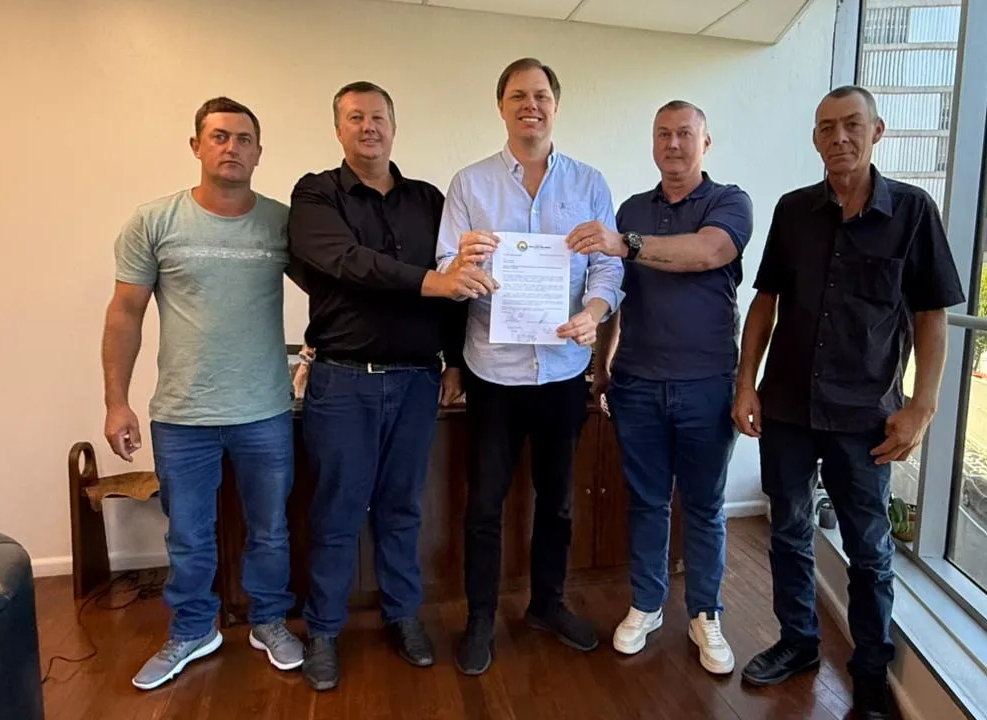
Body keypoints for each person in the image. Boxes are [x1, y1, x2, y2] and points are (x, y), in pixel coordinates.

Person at [734, 86, 964, 719]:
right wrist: (745, 383)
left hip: (865, 416)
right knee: (788, 529)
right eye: (827, 127)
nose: (839, 137)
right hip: (787, 405)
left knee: (868, 547)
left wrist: (923, 407)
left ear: (876, 131)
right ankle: (799, 642)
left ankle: (869, 672)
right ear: (815, 138)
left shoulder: (913, 212)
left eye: (852, 125)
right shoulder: (793, 210)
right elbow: (765, 303)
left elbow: (932, 315)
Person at [286, 81, 485, 691]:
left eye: (378, 117)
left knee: (402, 509)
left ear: (394, 128)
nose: (368, 127)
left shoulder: (429, 200)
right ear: (338, 129)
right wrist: (432, 282)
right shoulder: (315, 193)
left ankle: (402, 615)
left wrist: (455, 360)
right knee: (338, 510)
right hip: (344, 379)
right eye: (355, 117)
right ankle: (323, 630)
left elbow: (458, 281)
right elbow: (345, 262)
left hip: (418, 381)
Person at [102, 96, 304, 690]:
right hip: (182, 413)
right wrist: (116, 402)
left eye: (243, 139)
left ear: (259, 152)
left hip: (265, 410)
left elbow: (336, 285)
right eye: (219, 136)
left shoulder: (283, 223)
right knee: (188, 535)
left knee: (270, 529)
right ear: (196, 146)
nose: (231, 148)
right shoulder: (154, 221)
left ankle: (269, 620)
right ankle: (193, 630)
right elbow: (124, 314)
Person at [436, 57, 625, 676]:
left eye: (541, 95)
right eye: (518, 95)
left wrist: (594, 312)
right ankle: (480, 618)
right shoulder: (470, 184)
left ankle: (547, 602)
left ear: (555, 105)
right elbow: (443, 268)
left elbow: (608, 266)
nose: (530, 105)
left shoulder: (589, 183)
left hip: (564, 371)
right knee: (484, 506)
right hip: (493, 373)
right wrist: (462, 266)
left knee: (559, 502)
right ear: (501, 106)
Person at [576, 101, 752, 675]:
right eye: (662, 134)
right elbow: (616, 293)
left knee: (703, 507)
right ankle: (647, 604)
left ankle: (705, 613)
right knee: (648, 502)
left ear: (706, 142)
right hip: (637, 385)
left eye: (684, 134)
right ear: (653, 143)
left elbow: (708, 252)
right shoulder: (632, 209)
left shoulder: (729, 202)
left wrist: (625, 242)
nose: (673, 144)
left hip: (707, 386)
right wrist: (602, 365)